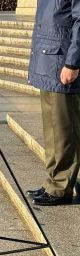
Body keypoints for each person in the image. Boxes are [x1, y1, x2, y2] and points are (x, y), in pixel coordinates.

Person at [26, 0, 80, 206]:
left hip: (62, 64)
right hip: (48, 62)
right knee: (52, 132)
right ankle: (53, 181)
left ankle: (59, 187)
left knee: (64, 131)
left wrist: (72, 62)